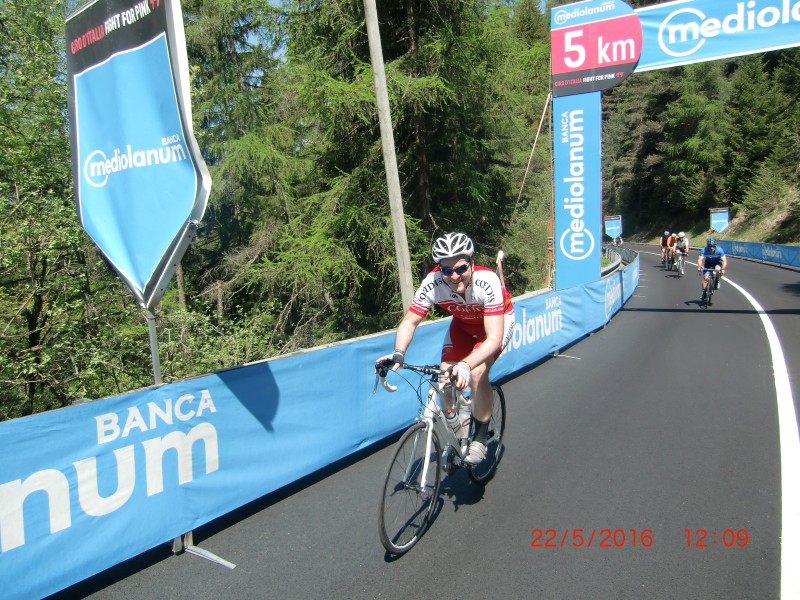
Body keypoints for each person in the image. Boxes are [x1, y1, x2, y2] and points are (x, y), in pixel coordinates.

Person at [377, 232, 515, 466]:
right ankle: (459, 432)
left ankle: (480, 438)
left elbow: (493, 339)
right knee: (444, 378)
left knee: (477, 373)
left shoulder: (487, 280)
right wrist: (398, 353)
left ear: (471, 263)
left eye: (461, 268)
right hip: (462, 325)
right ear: (439, 269)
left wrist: (466, 364)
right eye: (447, 270)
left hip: (495, 324)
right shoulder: (432, 283)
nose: (454, 276)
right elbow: (409, 322)